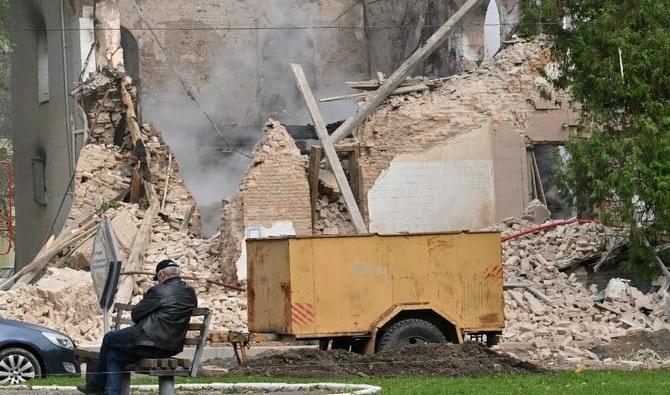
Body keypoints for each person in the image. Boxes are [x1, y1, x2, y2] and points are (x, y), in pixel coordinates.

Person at [78, 260, 198, 395]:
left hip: (148, 342)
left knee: (109, 338)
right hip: (171, 347)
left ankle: (96, 384)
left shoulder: (158, 291)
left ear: (162, 275)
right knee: (114, 357)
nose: (157, 281)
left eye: (157, 278)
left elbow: (136, 315)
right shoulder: (190, 293)